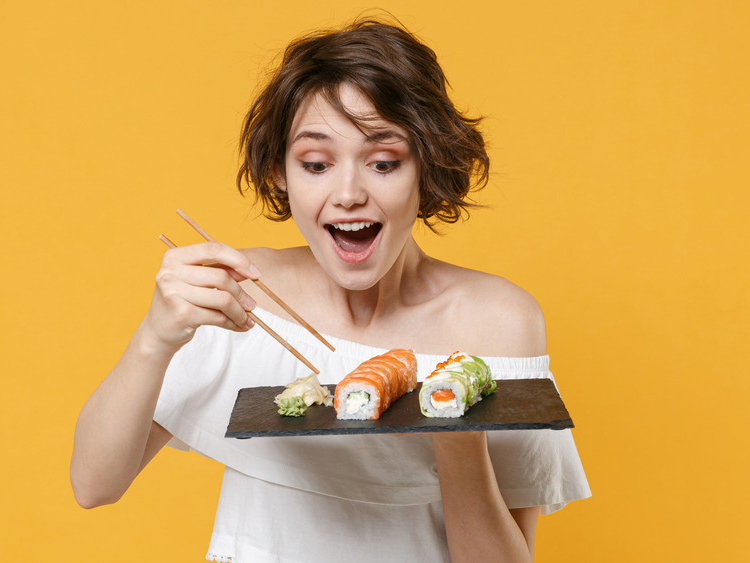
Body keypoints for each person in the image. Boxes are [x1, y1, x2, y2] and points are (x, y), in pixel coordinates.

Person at [70, 17, 589, 563]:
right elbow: (94, 484)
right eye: (316, 164)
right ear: (280, 173)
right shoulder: (240, 292)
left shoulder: (499, 322)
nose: (347, 194)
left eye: (384, 162)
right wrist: (155, 338)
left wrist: (458, 439)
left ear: (425, 168)